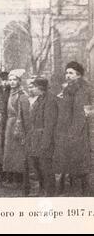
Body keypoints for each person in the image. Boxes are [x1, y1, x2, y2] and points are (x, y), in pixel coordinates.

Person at [53, 61, 92, 196]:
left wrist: (73, 134)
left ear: (78, 75)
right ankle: (72, 191)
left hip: (77, 133)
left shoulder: (81, 89)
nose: (67, 75)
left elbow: (81, 114)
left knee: (79, 164)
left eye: (71, 73)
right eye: (66, 73)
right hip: (66, 131)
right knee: (69, 162)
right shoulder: (68, 88)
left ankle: (83, 194)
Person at [26, 77, 57, 196]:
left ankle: (50, 192)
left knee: (46, 166)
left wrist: (46, 142)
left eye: (34, 87)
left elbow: (50, 123)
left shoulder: (50, 100)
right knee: (36, 164)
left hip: (45, 137)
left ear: (40, 88)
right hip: (36, 137)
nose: (32, 89)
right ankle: (43, 189)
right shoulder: (39, 99)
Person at [2, 69, 30, 196]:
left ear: (19, 81)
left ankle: (19, 180)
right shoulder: (10, 93)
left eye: (15, 80)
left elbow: (25, 114)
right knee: (10, 152)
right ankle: (12, 177)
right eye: (10, 80)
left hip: (18, 125)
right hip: (10, 124)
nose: (12, 82)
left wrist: (22, 129)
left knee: (18, 153)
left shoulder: (22, 95)